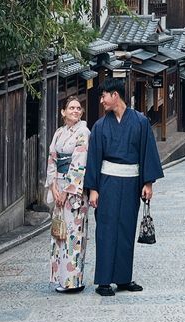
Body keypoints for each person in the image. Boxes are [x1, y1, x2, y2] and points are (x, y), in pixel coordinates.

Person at [84, 78, 164, 297]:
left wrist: (147, 183)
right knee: (106, 229)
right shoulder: (100, 126)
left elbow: (147, 152)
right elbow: (94, 158)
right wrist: (93, 189)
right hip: (107, 182)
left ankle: (123, 278)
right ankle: (103, 280)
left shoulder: (140, 122)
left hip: (131, 182)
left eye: (104, 96)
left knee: (126, 228)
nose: (102, 101)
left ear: (115, 95)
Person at [45, 96, 90, 293]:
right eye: (71, 108)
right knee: (59, 232)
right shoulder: (59, 132)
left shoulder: (83, 132)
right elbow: (52, 159)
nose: (75, 111)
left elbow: (80, 162)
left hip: (74, 191)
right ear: (63, 112)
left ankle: (73, 281)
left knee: (74, 233)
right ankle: (60, 279)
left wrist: (66, 190)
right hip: (59, 185)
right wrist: (53, 186)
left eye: (78, 108)